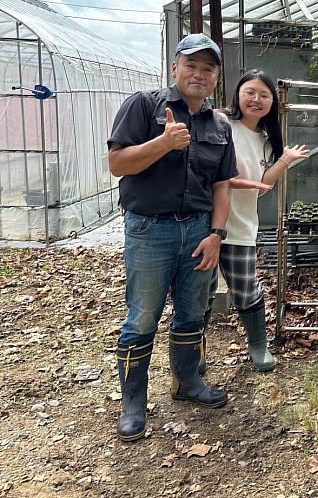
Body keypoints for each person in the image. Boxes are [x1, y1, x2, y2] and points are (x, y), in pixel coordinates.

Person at [108, 33, 238, 442]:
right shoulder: (145, 106)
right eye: (191, 65)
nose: (199, 74)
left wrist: (217, 234)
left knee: (192, 312)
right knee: (143, 315)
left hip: (199, 230)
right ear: (174, 68)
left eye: (208, 68)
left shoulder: (218, 124)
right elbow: (117, 164)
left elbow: (223, 185)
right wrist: (163, 143)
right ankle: (133, 403)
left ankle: (187, 382)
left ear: (216, 76)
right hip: (150, 229)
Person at [203, 70, 309, 373]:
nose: (256, 100)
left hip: (241, 226)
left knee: (247, 290)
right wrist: (247, 184)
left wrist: (285, 159)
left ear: (272, 102)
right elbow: (210, 173)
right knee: (200, 294)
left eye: (264, 95)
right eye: (250, 92)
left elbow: (263, 183)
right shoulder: (221, 124)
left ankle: (258, 346)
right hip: (204, 226)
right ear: (238, 93)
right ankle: (194, 352)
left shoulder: (265, 139)